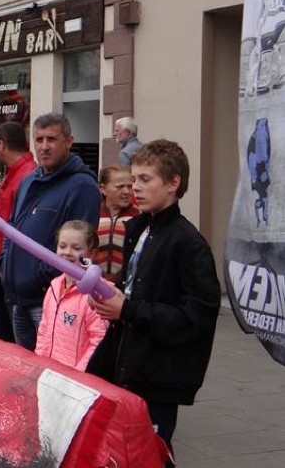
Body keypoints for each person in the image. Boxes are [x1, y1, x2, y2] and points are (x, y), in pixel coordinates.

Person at [89, 140, 221, 463]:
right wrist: (108, 295)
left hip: (157, 376)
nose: (135, 188)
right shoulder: (140, 228)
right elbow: (136, 286)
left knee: (150, 454)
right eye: (134, 180)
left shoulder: (189, 244)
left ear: (174, 183)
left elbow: (197, 318)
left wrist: (128, 310)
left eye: (146, 180)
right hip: (127, 363)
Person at [2, 113, 101, 351]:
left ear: (69, 141)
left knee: (50, 370)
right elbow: (12, 227)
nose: (44, 146)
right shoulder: (28, 180)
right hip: (19, 300)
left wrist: (40, 278)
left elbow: (80, 247)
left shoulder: (82, 186)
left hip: (49, 299)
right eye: (39, 140)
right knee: (25, 372)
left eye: (51, 139)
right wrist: (5, 262)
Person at [35, 220, 109, 371]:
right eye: (62, 246)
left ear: (92, 254)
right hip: (50, 373)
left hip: (77, 380)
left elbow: (98, 341)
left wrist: (78, 376)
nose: (67, 252)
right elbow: (44, 329)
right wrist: (39, 363)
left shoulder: (97, 294)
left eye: (76, 248)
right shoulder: (54, 286)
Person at [0, 121, 37, 342]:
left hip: (10, 266)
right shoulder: (18, 172)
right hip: (5, 263)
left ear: (1, 144)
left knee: (10, 331)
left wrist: (4, 263)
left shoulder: (25, 175)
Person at [95, 165, 139, 284]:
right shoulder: (92, 214)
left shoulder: (139, 216)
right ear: (103, 189)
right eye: (120, 187)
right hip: (95, 283)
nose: (126, 192)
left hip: (127, 285)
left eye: (130, 186)